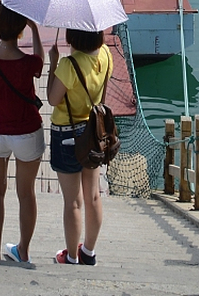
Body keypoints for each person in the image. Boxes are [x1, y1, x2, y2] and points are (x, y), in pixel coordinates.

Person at [0, 2, 44, 264]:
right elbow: (40, 63)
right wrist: (34, 29)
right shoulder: (29, 63)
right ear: (21, 28)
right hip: (27, 133)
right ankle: (23, 250)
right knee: (26, 194)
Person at [46, 27, 114, 266]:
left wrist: (53, 64)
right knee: (93, 195)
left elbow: (52, 99)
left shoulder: (68, 64)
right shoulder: (106, 54)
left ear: (72, 36)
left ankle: (72, 257)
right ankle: (88, 252)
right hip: (92, 133)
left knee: (73, 202)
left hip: (66, 134)